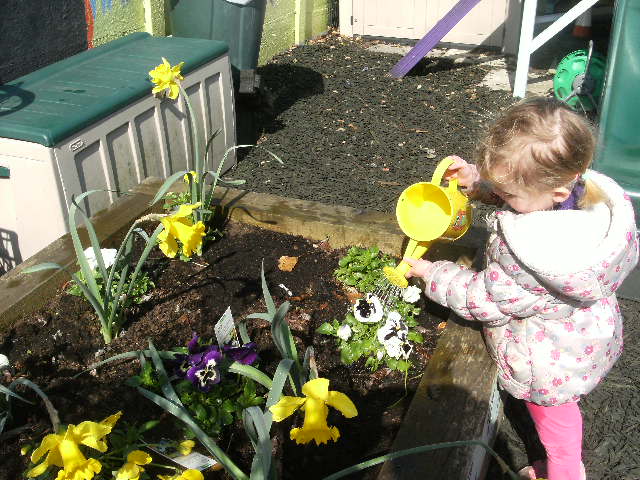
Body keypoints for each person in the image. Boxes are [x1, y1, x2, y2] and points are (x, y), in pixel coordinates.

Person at [403, 97, 639, 480]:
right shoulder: (587, 199)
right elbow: (526, 190)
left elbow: (485, 299)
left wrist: (433, 274)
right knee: (565, 408)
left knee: (555, 416)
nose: (504, 197)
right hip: (583, 332)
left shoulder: (533, 254)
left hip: (547, 358)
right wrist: (478, 183)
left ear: (557, 191)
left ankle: (565, 473)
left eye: (507, 194)